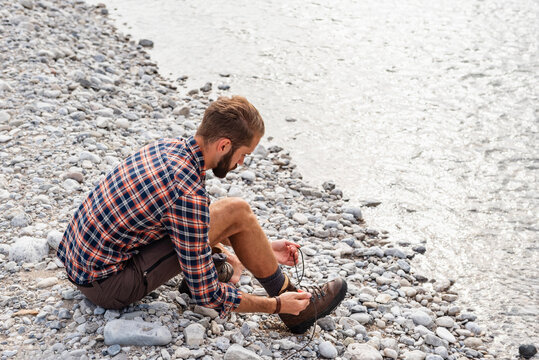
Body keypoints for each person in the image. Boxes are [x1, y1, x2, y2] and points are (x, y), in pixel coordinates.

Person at [57, 96, 347, 334]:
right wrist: (275, 305)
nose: (241, 163)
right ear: (223, 145)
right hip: (108, 285)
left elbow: (183, 224)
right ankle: (296, 310)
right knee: (235, 211)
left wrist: (265, 249)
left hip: (83, 264)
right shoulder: (187, 192)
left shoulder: (169, 148)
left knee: (231, 212)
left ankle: (232, 266)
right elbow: (206, 294)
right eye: (243, 154)